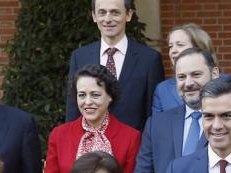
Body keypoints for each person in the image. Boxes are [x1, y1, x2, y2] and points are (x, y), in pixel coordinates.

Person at [42, 64, 142, 173]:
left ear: (110, 97)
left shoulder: (131, 137)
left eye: (95, 95)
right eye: (82, 95)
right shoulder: (59, 135)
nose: (87, 102)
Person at [65, 0, 164, 131]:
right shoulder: (79, 57)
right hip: (89, 147)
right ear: (94, 16)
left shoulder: (149, 59)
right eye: (102, 13)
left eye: (115, 13)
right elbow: (73, 108)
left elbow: (153, 113)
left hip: (134, 147)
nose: (107, 19)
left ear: (128, 15)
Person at [152, 23, 216, 114]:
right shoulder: (162, 89)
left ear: (198, 47)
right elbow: (158, 125)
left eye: (180, 45)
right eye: (171, 46)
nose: (173, 50)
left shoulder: (226, 84)